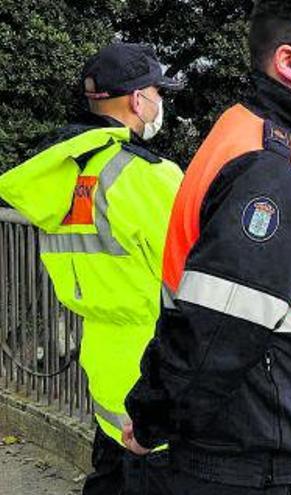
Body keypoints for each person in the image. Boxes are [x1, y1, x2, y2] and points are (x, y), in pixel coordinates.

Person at [123, 1, 291, 493]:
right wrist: (151, 420)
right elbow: (217, 330)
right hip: (265, 466)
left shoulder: (262, 139)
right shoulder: (271, 172)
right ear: (289, 61)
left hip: (263, 451)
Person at [0, 43, 183, 494]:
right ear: (139, 100)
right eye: (158, 92)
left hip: (104, 367)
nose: (161, 102)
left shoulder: (65, 175)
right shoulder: (149, 177)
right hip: (156, 377)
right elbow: (193, 283)